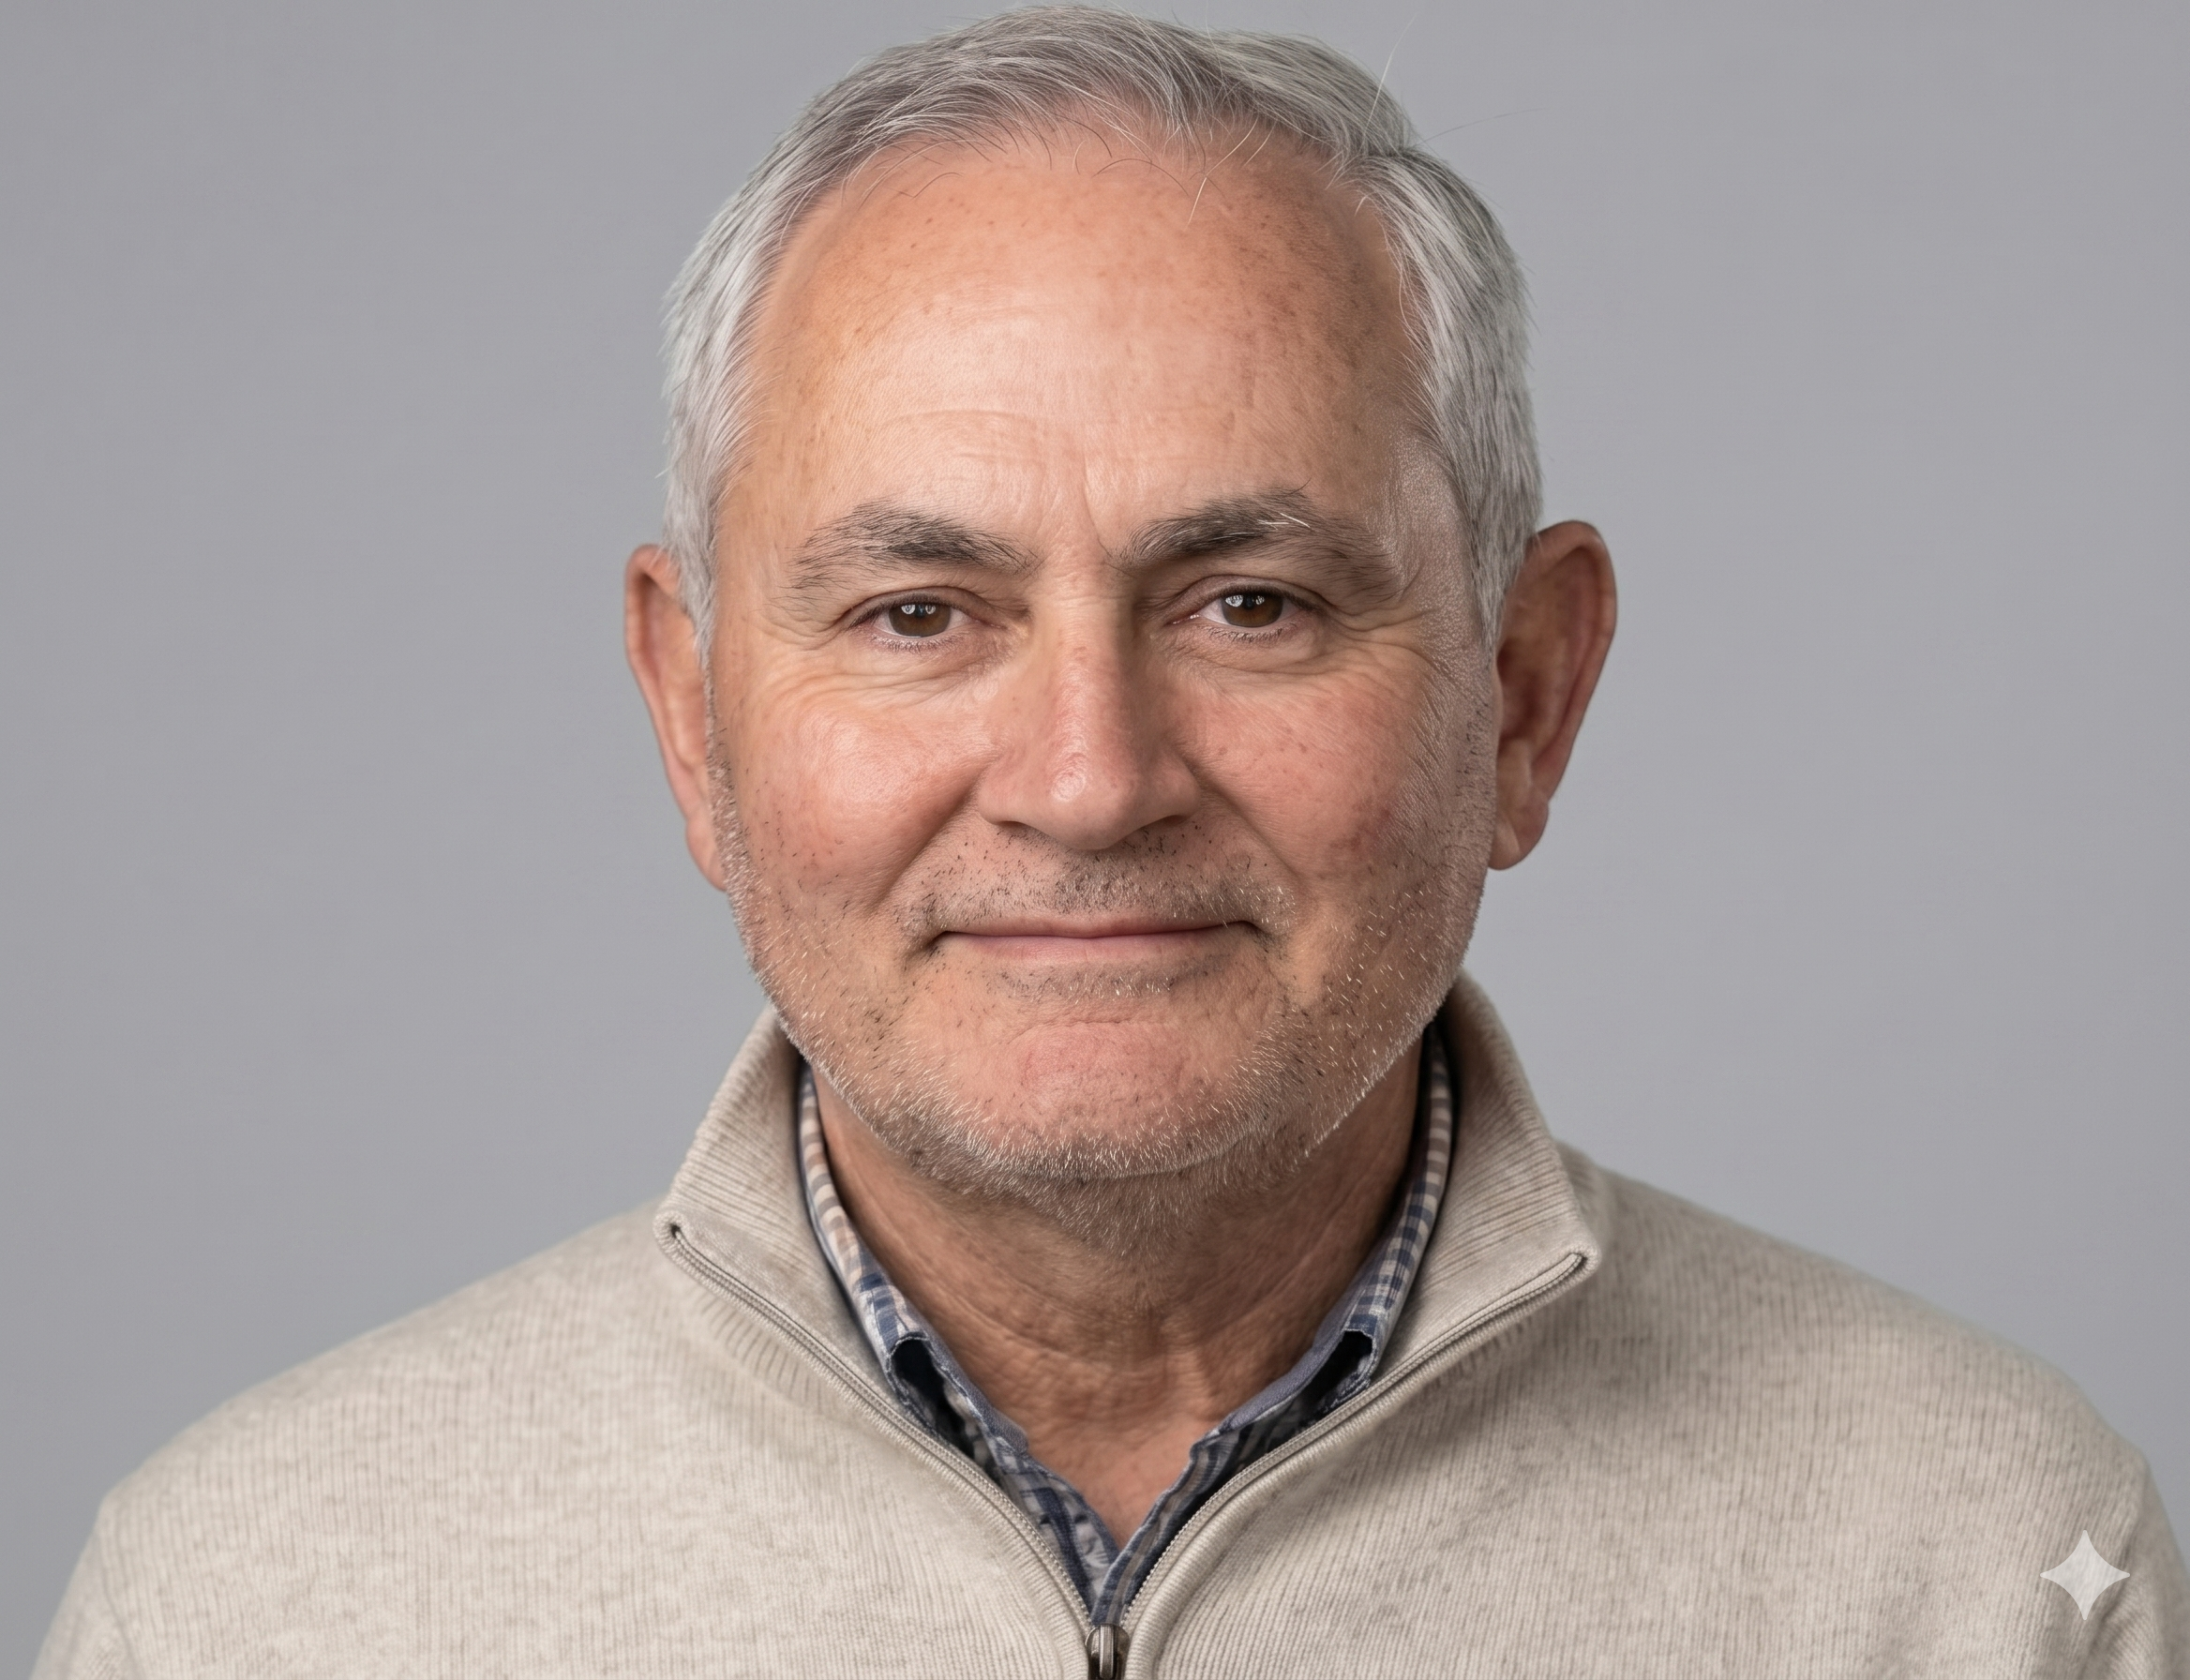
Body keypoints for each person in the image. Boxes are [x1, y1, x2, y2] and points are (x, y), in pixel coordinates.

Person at [34, 8, 2186, 1676]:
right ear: (692, 713)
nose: (1086, 777)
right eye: (918, 614)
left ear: (1524, 692)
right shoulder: (253, 1594)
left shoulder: (1974, 1561)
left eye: (1251, 603)